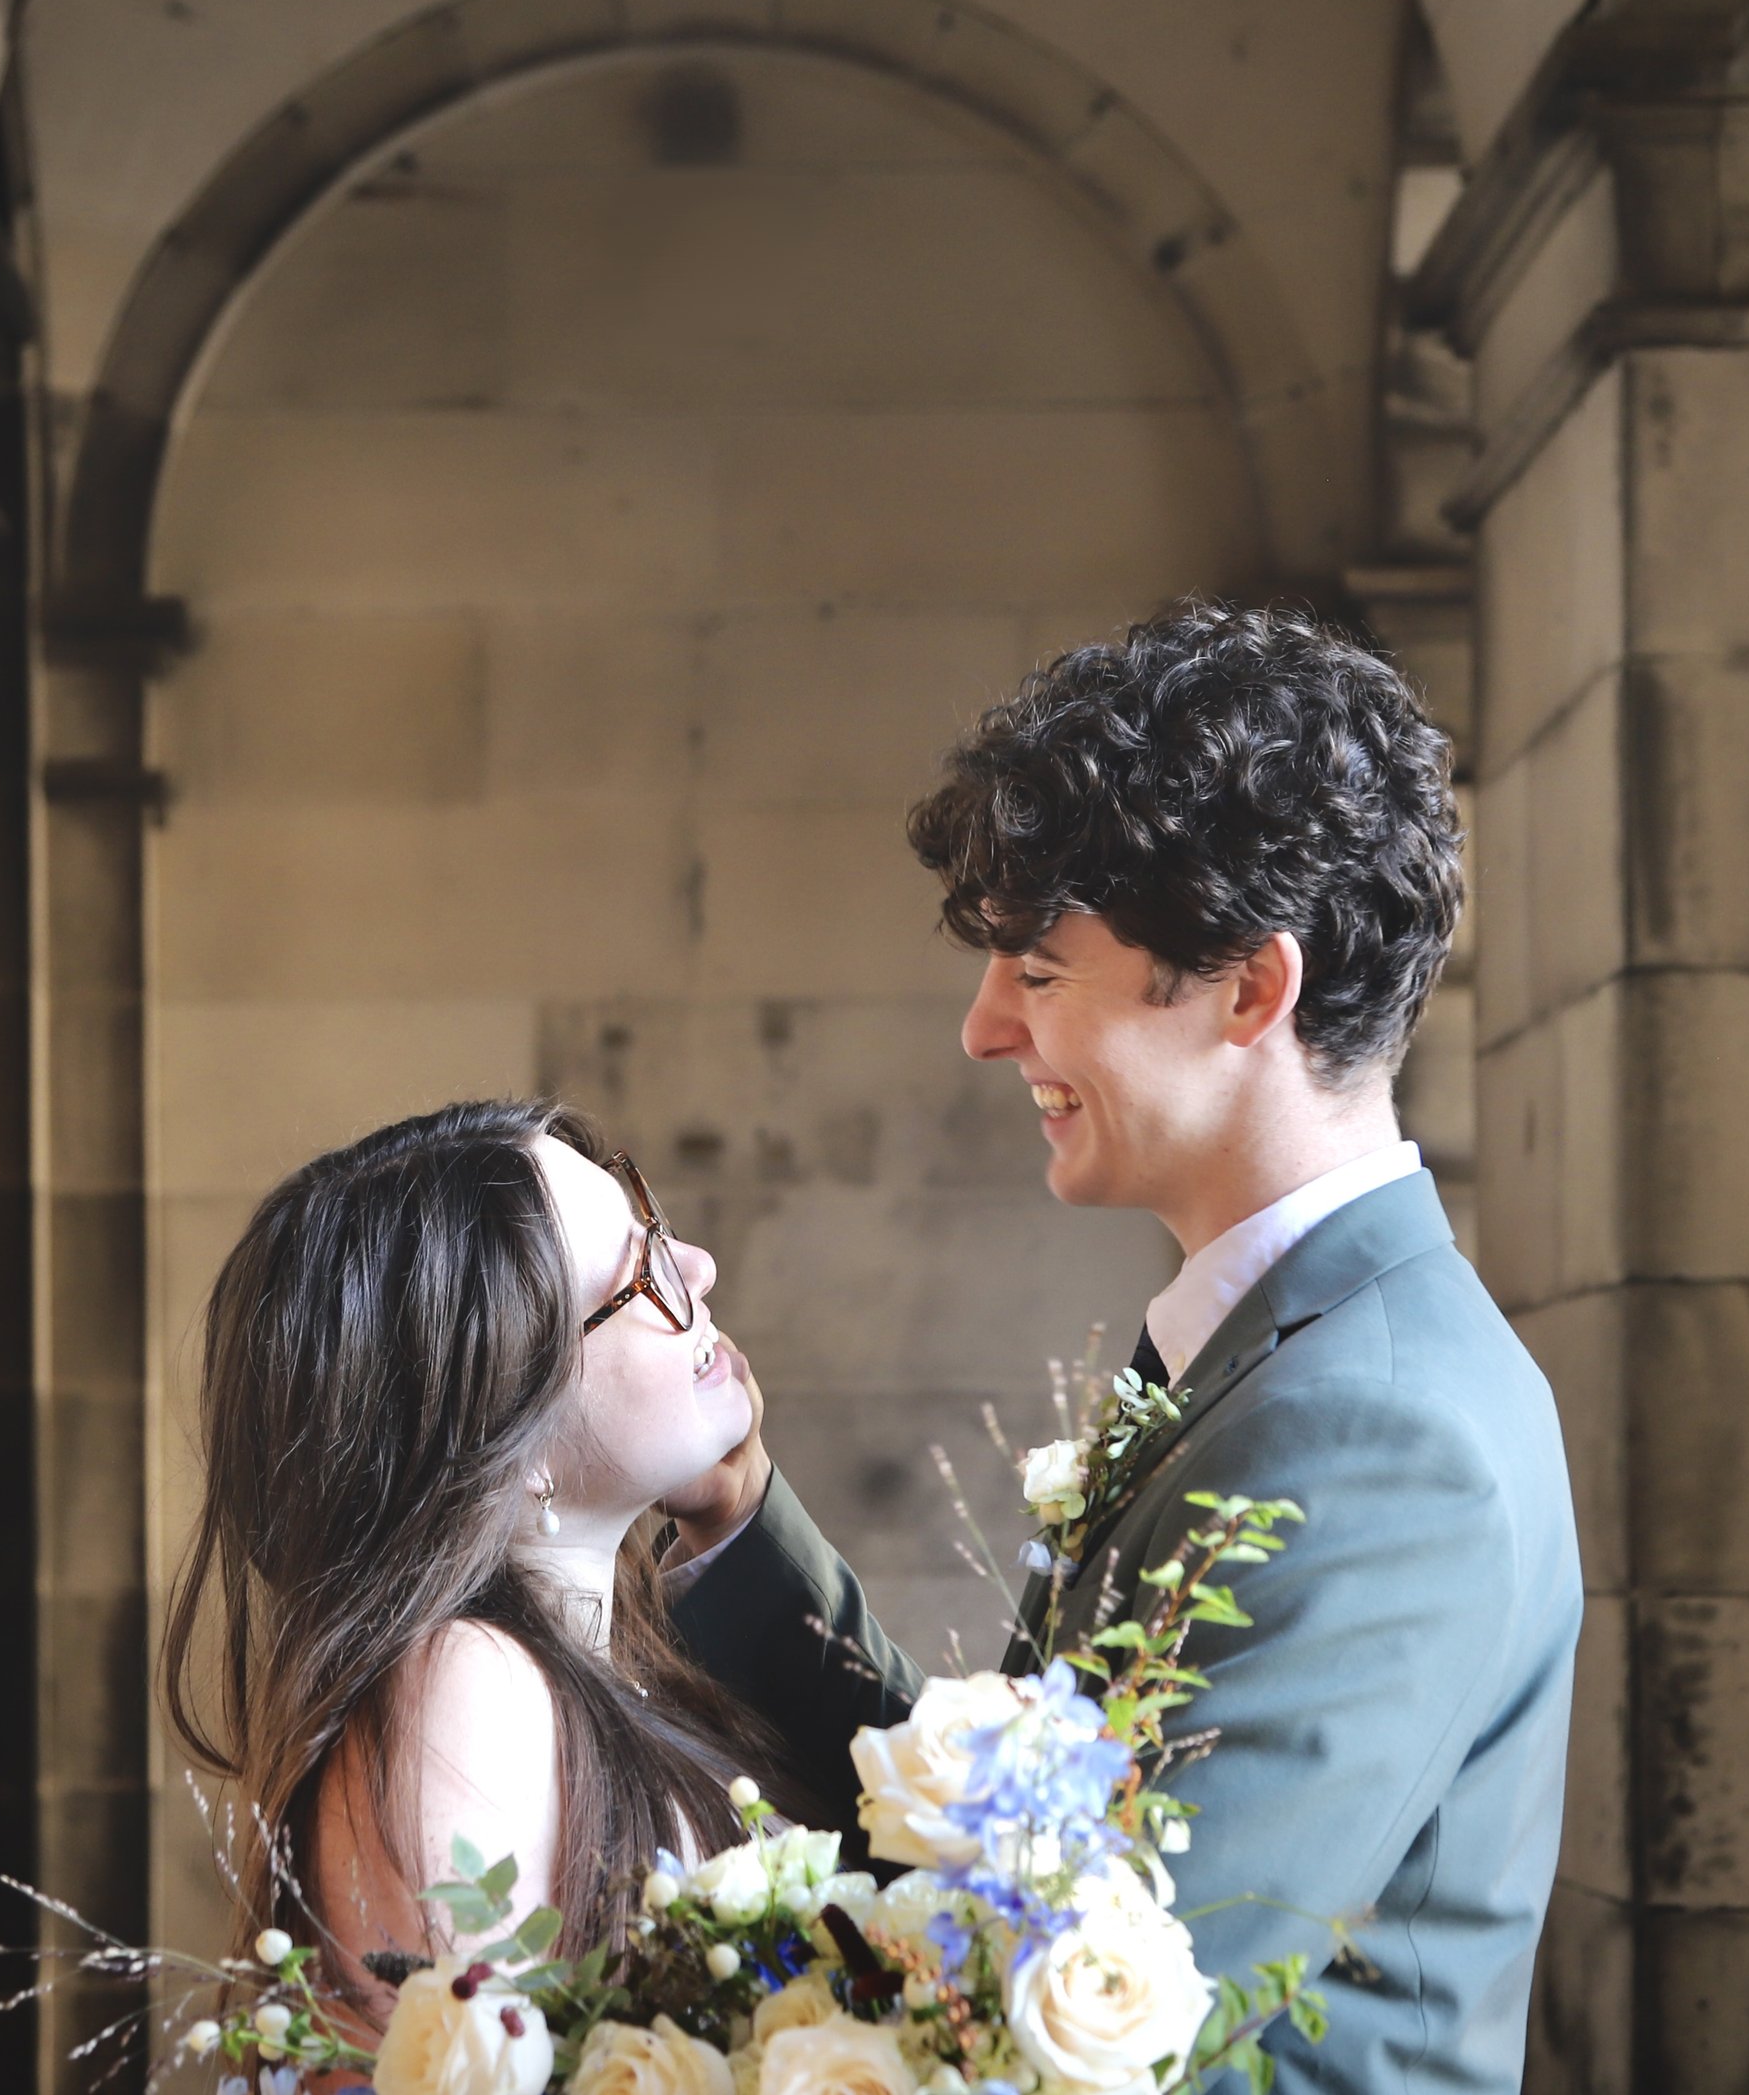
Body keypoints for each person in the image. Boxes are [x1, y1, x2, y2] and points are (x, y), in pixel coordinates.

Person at [667, 603, 1585, 2094]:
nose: (980, 1028)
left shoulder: (1379, 1426)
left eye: (1037, 971)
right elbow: (1007, 1869)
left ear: (1250, 984)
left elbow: (1101, 2018)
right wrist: (728, 1521)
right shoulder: (1296, 1355)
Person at [158, 1099, 826, 2012]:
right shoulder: (462, 1687)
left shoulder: (620, 1664)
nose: (699, 1266)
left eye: (655, 1226)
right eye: (642, 1273)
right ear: (514, 1440)